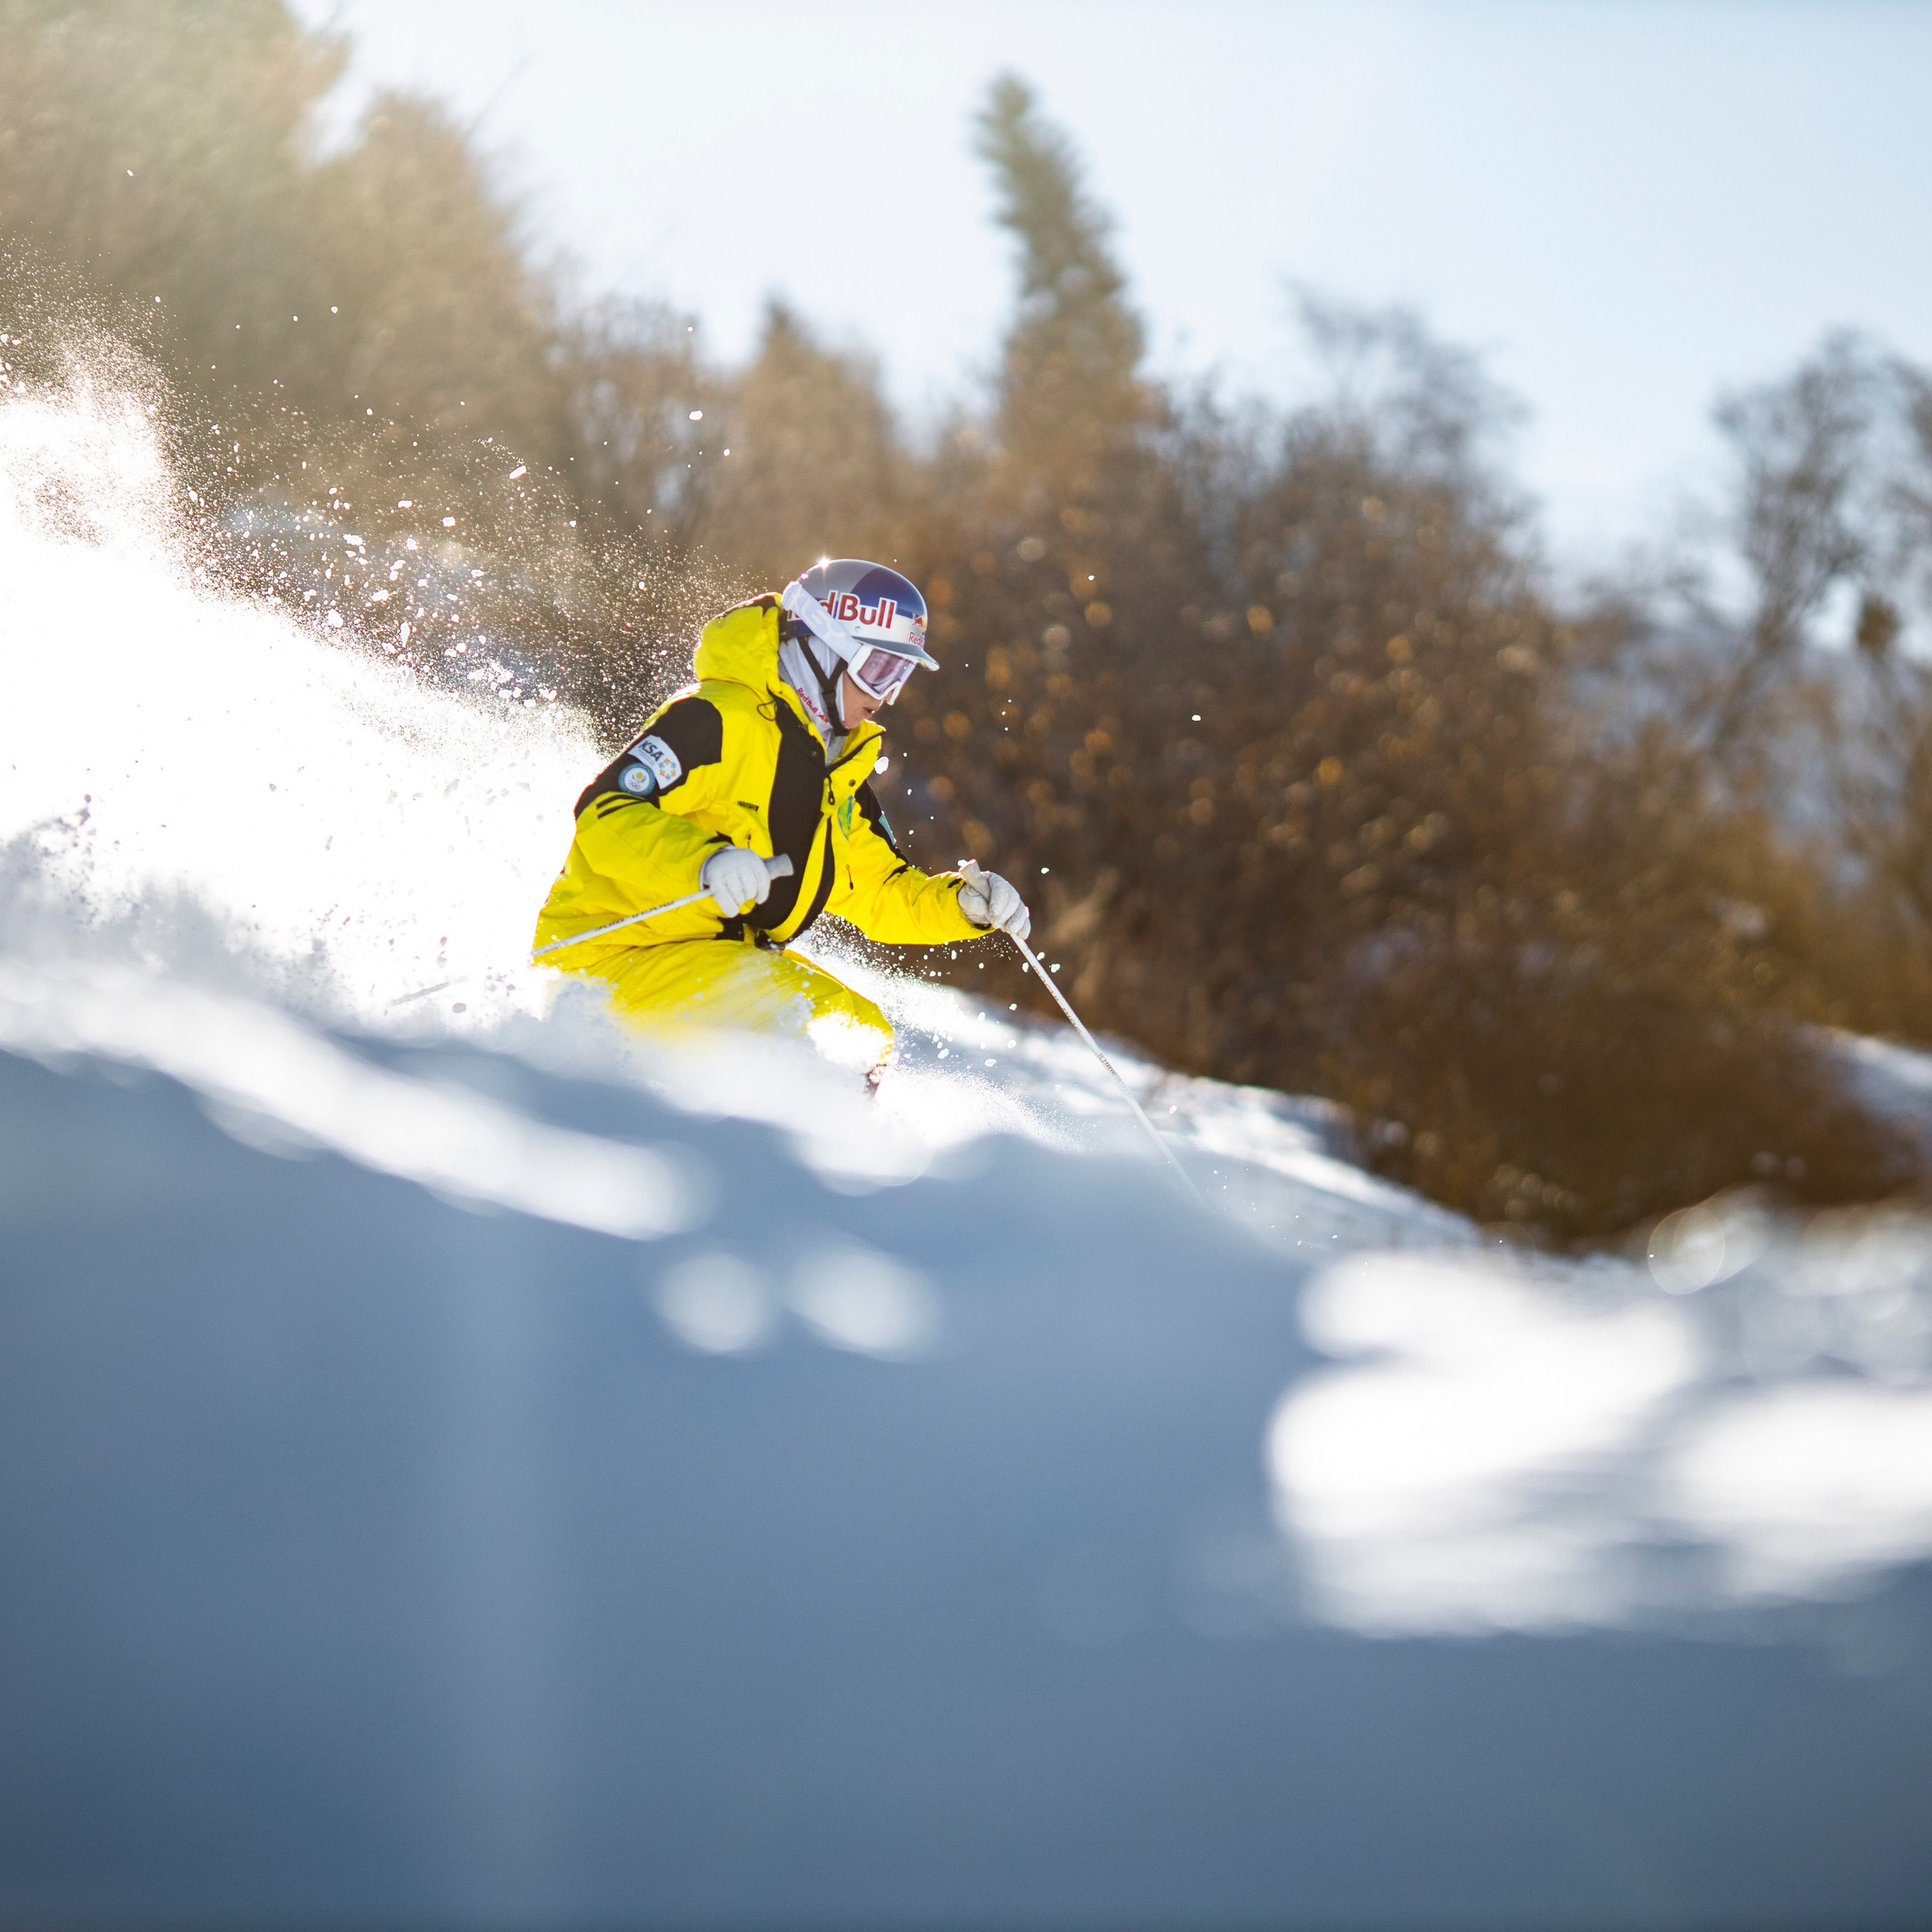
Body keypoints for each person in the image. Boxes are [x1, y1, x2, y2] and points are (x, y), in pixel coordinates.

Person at [531, 558, 1031, 1077]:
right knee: (816, 1035)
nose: (885, 697)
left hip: (708, 962)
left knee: (861, 1033)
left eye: (898, 676)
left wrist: (964, 907)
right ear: (822, 647)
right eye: (879, 670)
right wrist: (705, 863)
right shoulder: (714, 721)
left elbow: (879, 891)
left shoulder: (837, 776)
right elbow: (604, 813)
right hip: (609, 960)